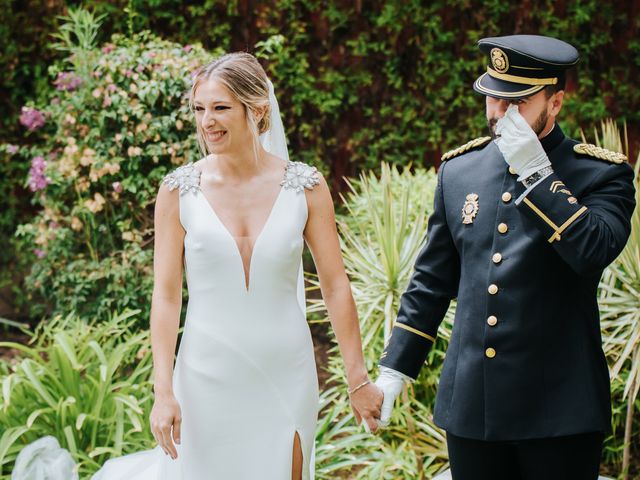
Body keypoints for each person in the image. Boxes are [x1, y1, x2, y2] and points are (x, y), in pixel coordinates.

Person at [93, 52, 382, 480]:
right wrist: (163, 391)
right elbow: (167, 296)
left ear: (257, 108)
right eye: (199, 109)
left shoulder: (306, 186)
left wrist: (357, 380)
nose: (206, 121)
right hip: (205, 376)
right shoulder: (177, 191)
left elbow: (336, 287)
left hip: (287, 371)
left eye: (220, 107)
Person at [374, 35, 636, 479]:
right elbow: (433, 280)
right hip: (474, 406)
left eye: (515, 103)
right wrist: (395, 371)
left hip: (560, 410)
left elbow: (593, 250)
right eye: (492, 99)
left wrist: (537, 173)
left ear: (555, 102)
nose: (498, 115)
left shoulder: (602, 174)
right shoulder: (460, 170)